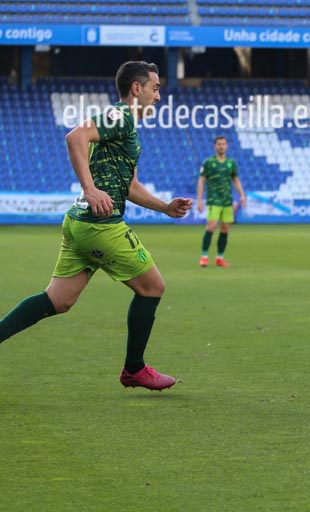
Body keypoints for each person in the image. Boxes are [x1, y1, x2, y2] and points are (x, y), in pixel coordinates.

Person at [0, 61, 191, 390]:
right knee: (152, 287)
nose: (159, 96)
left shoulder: (126, 126)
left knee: (58, 300)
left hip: (79, 223)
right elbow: (75, 136)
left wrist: (164, 207)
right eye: (155, 88)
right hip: (102, 225)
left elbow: (130, 186)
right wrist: (89, 189)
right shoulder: (122, 115)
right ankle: (134, 368)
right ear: (136, 89)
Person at [196, 135, 247, 267]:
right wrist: (200, 200)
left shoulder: (231, 163)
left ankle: (219, 258)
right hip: (214, 200)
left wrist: (242, 195)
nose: (221, 146)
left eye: (223, 144)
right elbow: (201, 180)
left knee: (225, 229)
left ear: (227, 146)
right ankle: (204, 256)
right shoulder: (208, 162)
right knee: (211, 227)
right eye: (219, 144)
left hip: (227, 201)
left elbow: (235, 179)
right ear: (215, 146)